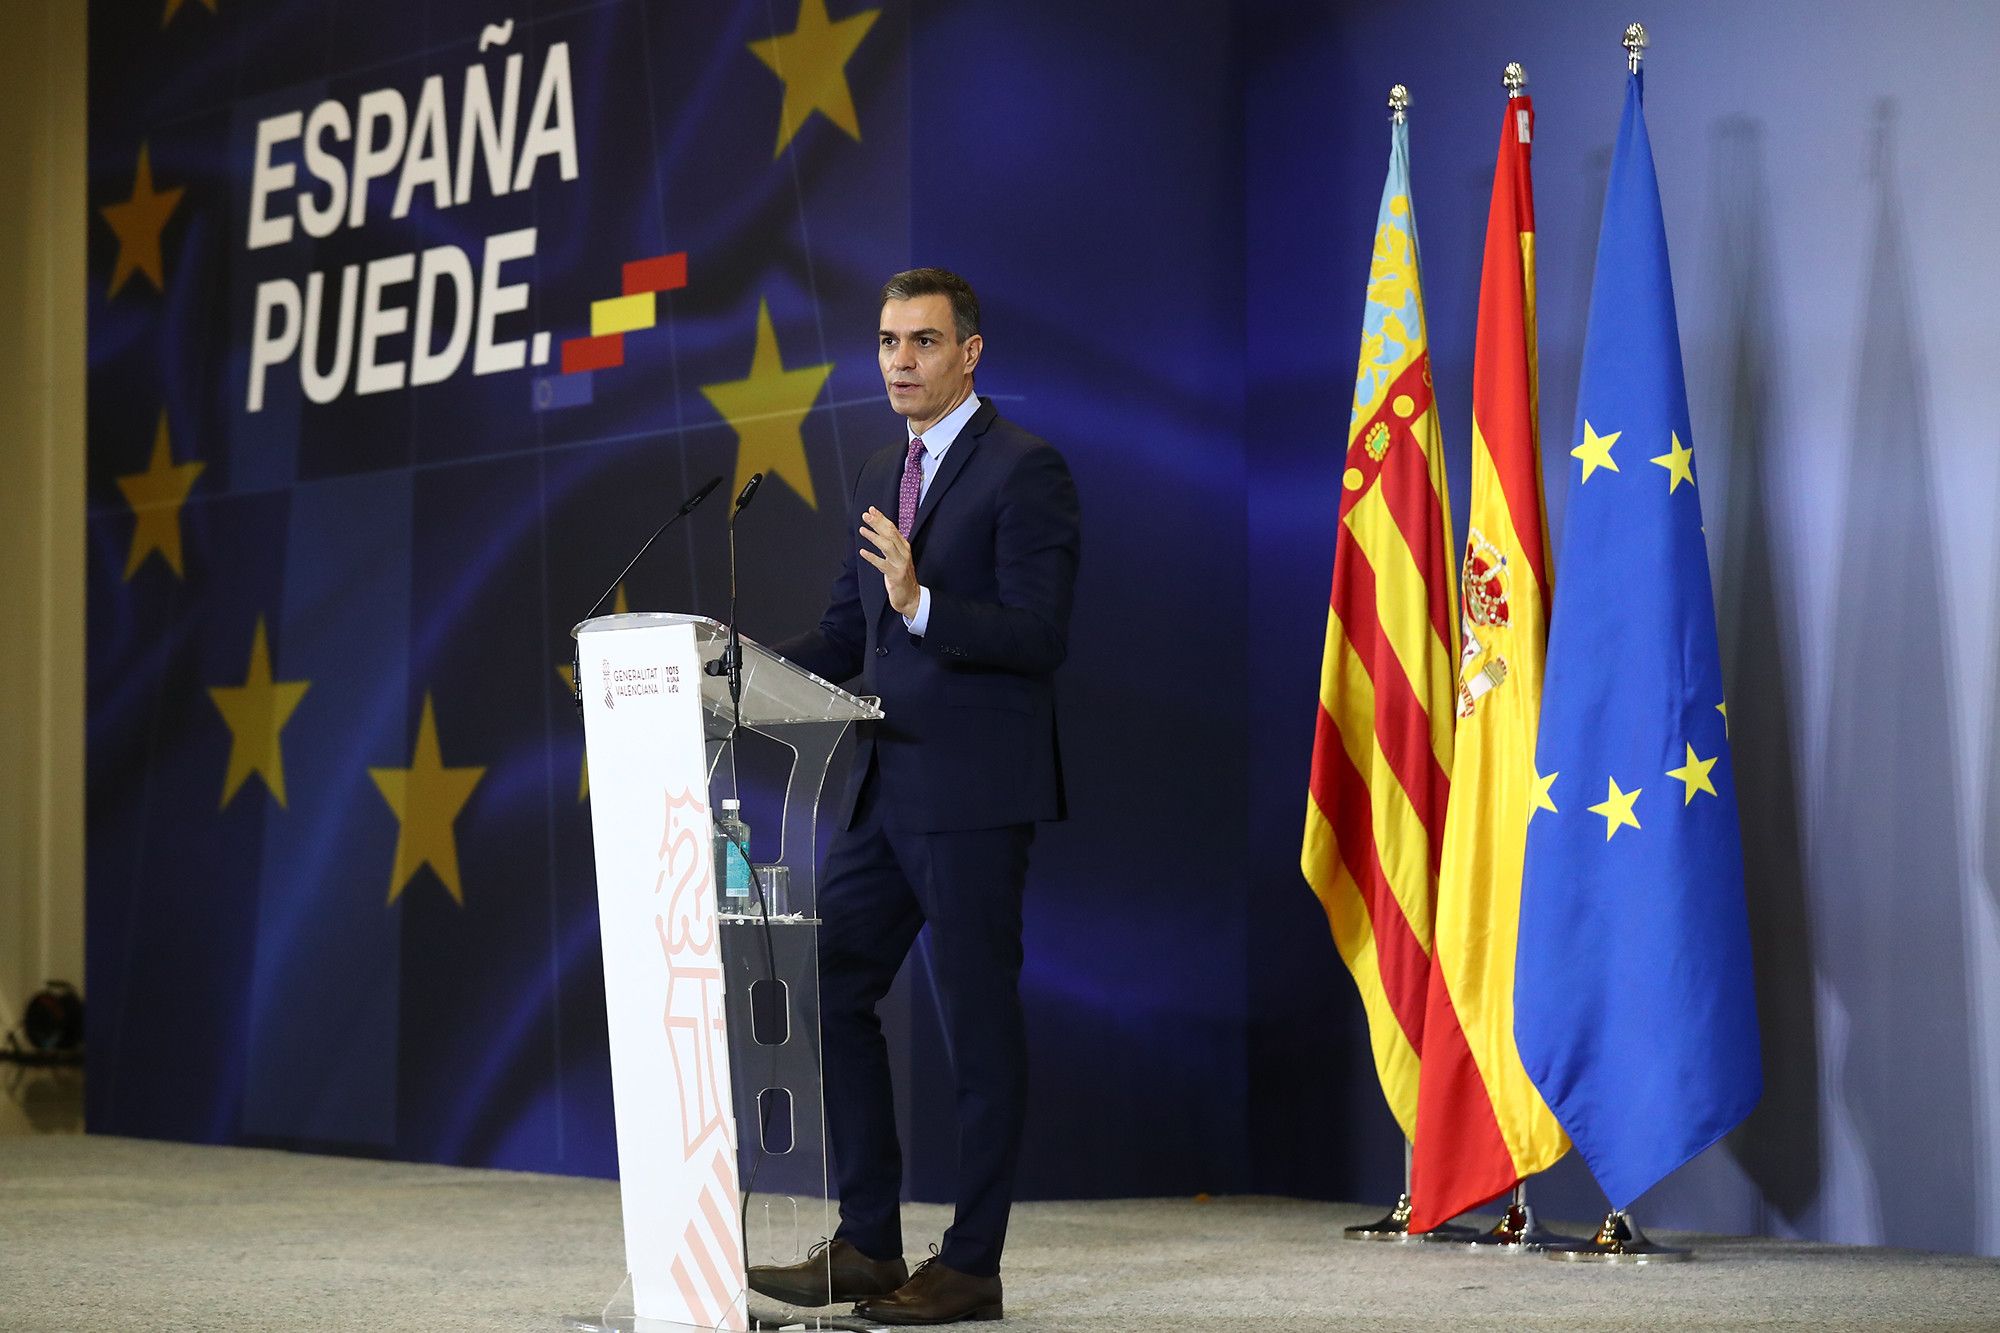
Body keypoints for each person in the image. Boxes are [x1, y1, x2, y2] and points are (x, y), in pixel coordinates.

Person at [749, 268, 1080, 1325]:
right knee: (832, 987)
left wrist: (923, 600)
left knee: (977, 1029)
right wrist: (736, 670)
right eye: (888, 340)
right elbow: (849, 635)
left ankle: (972, 1263)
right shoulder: (879, 464)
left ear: (969, 352)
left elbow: (1038, 635)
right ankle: (865, 1243)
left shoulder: (1028, 471)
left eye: (923, 342)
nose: (899, 359)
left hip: (976, 795)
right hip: (883, 793)